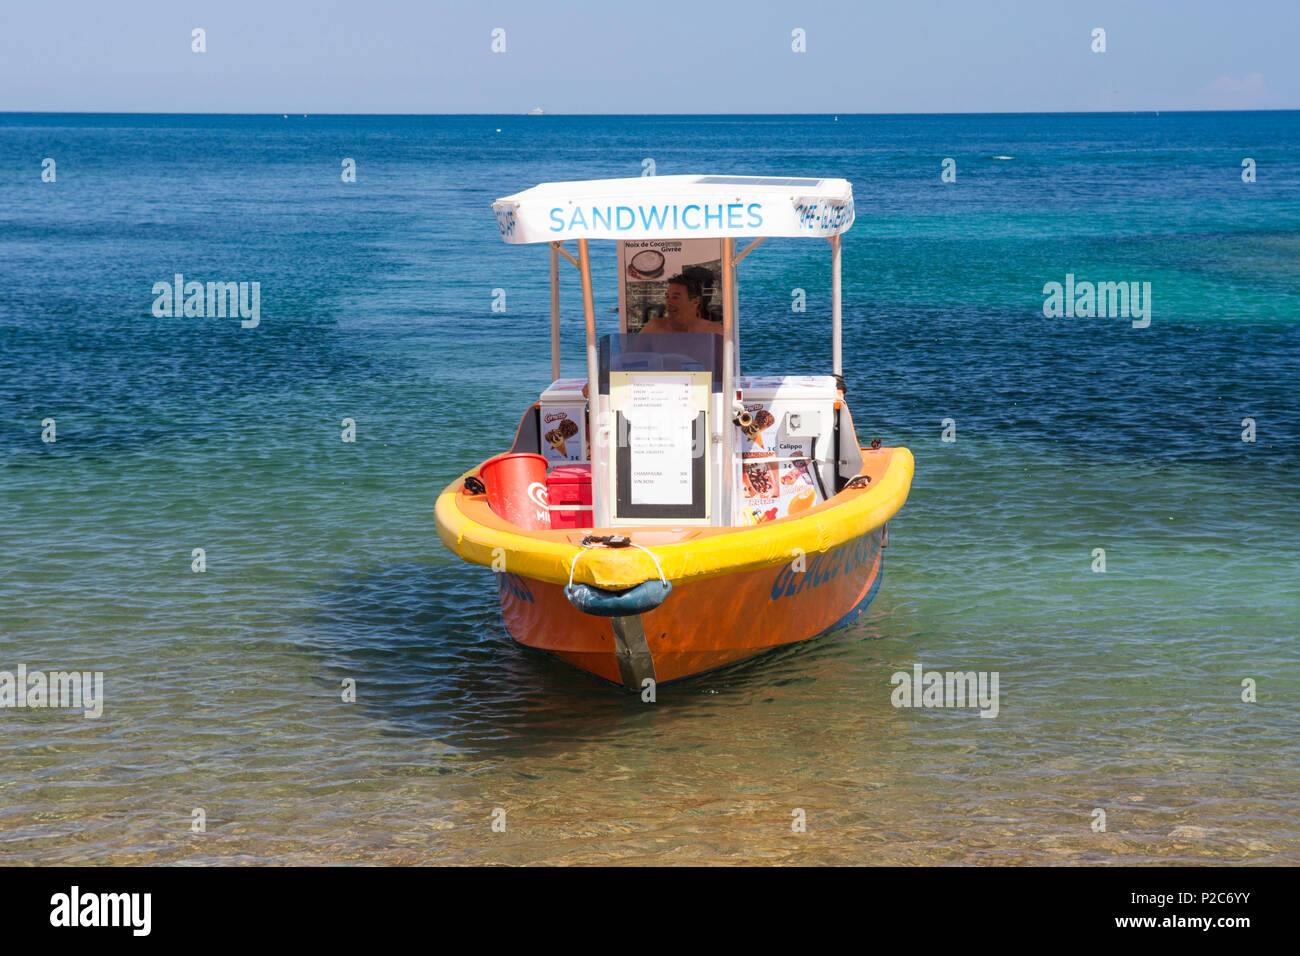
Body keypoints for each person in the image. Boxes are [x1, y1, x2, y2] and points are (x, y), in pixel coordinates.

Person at [638, 271, 722, 335]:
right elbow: (632, 357)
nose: (668, 303)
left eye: (675, 297)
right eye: (667, 297)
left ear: (695, 301)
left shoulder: (714, 332)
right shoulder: (653, 328)